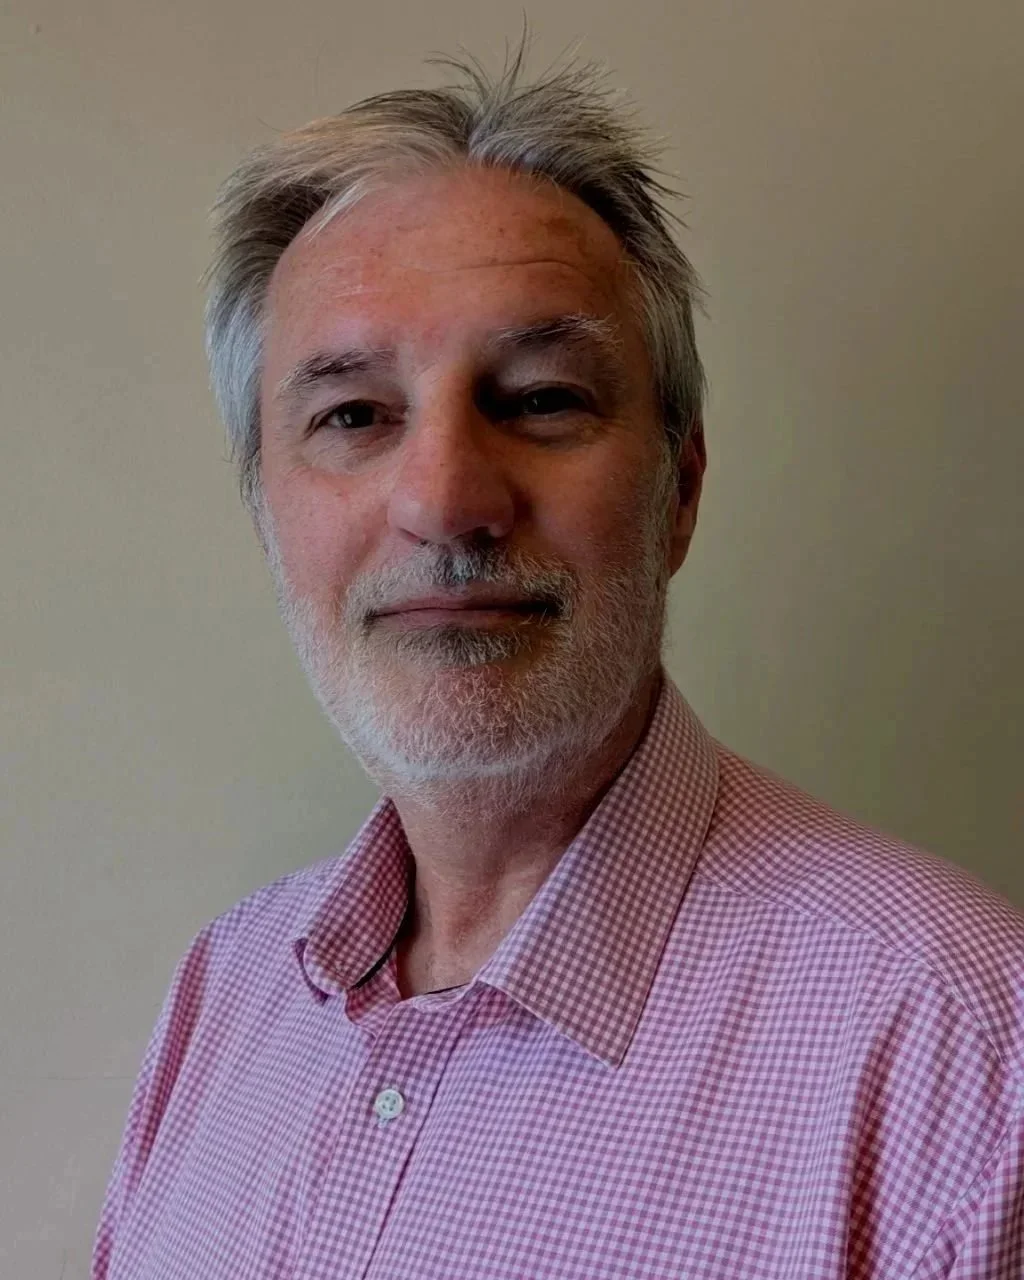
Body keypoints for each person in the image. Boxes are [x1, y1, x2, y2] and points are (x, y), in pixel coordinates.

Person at [92, 45, 1024, 1280]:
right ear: (269, 512)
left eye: (537, 399)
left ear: (677, 493)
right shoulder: (223, 993)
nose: (445, 499)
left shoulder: (956, 1047)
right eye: (355, 415)